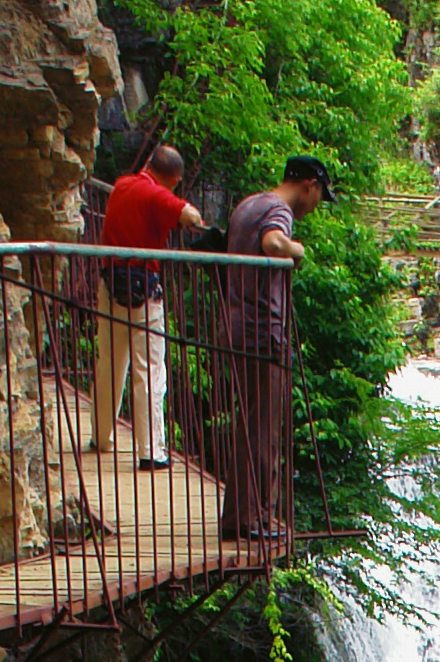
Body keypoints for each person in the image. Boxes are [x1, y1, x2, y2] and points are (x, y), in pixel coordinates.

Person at [219, 156, 330, 542]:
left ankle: (240, 516)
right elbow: (273, 242)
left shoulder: (248, 204)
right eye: (319, 195)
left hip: (236, 325)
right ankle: (253, 520)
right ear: (308, 186)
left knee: (249, 424)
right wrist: (296, 250)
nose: (316, 204)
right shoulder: (278, 210)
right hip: (263, 331)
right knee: (264, 428)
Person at [93, 140, 204, 468]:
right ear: (174, 177)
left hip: (110, 283)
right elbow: (190, 216)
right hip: (144, 291)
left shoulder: (121, 186)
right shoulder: (158, 195)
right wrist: (179, 202)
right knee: (150, 368)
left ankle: (100, 435)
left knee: (111, 361)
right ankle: (150, 451)